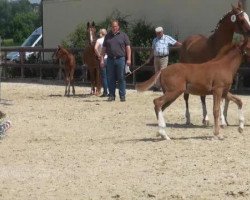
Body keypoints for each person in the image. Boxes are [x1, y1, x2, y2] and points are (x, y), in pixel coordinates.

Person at [100, 20, 131, 102]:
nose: (114, 28)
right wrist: (102, 60)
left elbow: (128, 48)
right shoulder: (107, 36)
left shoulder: (123, 35)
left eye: (115, 26)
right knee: (111, 78)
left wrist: (129, 59)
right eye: (113, 26)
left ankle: (122, 96)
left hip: (120, 59)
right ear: (111, 27)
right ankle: (111, 95)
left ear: (118, 27)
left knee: (121, 78)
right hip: (110, 59)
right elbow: (103, 49)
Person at [148, 26, 182, 91]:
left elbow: (175, 43)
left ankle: (163, 86)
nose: (158, 34)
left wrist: (183, 45)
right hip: (156, 58)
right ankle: (157, 86)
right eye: (157, 33)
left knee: (162, 72)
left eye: (159, 33)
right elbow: (153, 50)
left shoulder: (167, 38)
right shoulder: (155, 40)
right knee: (157, 72)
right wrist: (149, 58)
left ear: (162, 32)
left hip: (164, 57)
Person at [94, 28, 109, 97]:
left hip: (103, 59)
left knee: (104, 77)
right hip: (109, 59)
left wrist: (99, 55)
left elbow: (95, 48)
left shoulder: (99, 40)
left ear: (100, 33)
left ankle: (106, 92)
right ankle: (110, 91)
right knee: (110, 76)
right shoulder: (109, 39)